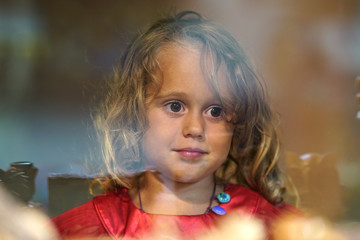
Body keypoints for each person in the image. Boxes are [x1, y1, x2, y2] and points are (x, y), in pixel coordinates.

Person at [52, 10, 298, 239]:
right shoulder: (90, 229)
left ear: (238, 122)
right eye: (175, 106)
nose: (195, 129)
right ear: (134, 112)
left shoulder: (269, 225)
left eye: (215, 111)